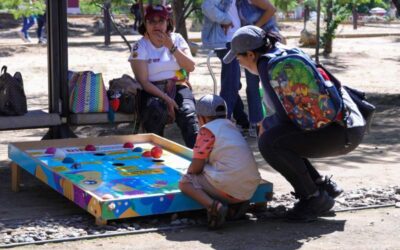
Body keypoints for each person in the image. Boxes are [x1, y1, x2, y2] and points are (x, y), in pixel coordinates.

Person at [223, 26, 367, 221]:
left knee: (269, 141)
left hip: (340, 132)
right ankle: (322, 186)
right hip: (349, 125)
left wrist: (265, 124)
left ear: (250, 54)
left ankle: (313, 198)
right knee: (278, 136)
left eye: (239, 58)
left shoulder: (267, 65)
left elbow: (284, 117)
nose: (239, 63)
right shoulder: (285, 51)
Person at [179, 94, 261, 229]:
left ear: (201, 117)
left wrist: (190, 173)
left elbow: (197, 166)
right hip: (249, 187)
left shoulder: (207, 131)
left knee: (186, 181)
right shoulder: (231, 127)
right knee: (221, 173)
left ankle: (213, 207)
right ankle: (236, 205)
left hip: (229, 187)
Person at [129, 4, 199, 148]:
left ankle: (198, 159)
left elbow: (190, 67)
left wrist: (171, 47)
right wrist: (167, 99)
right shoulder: (140, 46)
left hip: (178, 86)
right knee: (155, 112)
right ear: (145, 24)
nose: (156, 25)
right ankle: (157, 156)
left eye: (160, 21)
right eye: (151, 21)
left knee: (188, 113)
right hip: (151, 90)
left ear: (168, 22)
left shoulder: (177, 39)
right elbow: (143, 81)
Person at [201, 0, 250, 134]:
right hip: (226, 42)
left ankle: (242, 121)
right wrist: (226, 20)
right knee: (230, 85)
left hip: (233, 40)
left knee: (233, 83)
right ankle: (222, 126)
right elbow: (207, 6)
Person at [236, 0, 279, 137]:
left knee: (271, 84)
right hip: (251, 45)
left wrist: (255, 29)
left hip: (265, 43)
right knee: (253, 86)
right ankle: (256, 123)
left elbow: (271, 9)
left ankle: (274, 123)